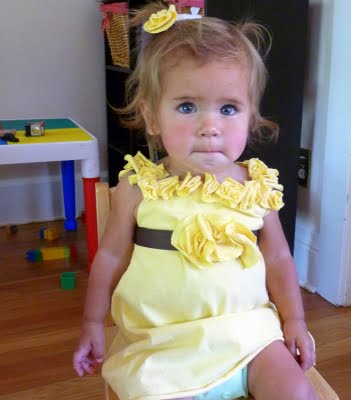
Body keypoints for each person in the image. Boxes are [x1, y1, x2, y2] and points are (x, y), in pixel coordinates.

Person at [73, 3, 319, 400]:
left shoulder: (256, 186)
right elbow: (111, 256)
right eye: (187, 107)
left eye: (229, 109)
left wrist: (294, 320)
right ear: (152, 116)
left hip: (249, 338)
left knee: (297, 394)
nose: (210, 127)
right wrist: (92, 322)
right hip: (162, 345)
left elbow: (277, 259)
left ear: (250, 117)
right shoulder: (139, 187)